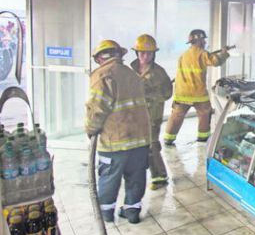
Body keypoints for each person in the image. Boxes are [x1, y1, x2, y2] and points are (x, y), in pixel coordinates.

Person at [85, 39, 151, 224]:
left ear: (99, 58)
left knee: (109, 177)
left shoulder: (102, 75)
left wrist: (91, 129)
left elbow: (97, 108)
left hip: (114, 141)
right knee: (136, 176)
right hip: (140, 140)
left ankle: (106, 213)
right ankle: (132, 211)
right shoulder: (132, 74)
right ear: (119, 55)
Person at [163, 29, 229, 145]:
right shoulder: (203, 54)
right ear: (198, 41)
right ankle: (203, 137)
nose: (204, 42)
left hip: (181, 93)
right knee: (205, 113)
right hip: (198, 94)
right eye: (203, 40)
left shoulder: (183, 56)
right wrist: (224, 53)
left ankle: (168, 138)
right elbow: (216, 62)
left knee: (176, 115)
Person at [129, 34, 173, 190]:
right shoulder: (130, 70)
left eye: (149, 53)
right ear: (137, 53)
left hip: (152, 116)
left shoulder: (159, 73)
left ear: (154, 54)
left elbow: (167, 93)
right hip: (134, 115)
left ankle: (159, 176)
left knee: (151, 145)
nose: (145, 56)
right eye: (142, 53)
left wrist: (151, 94)